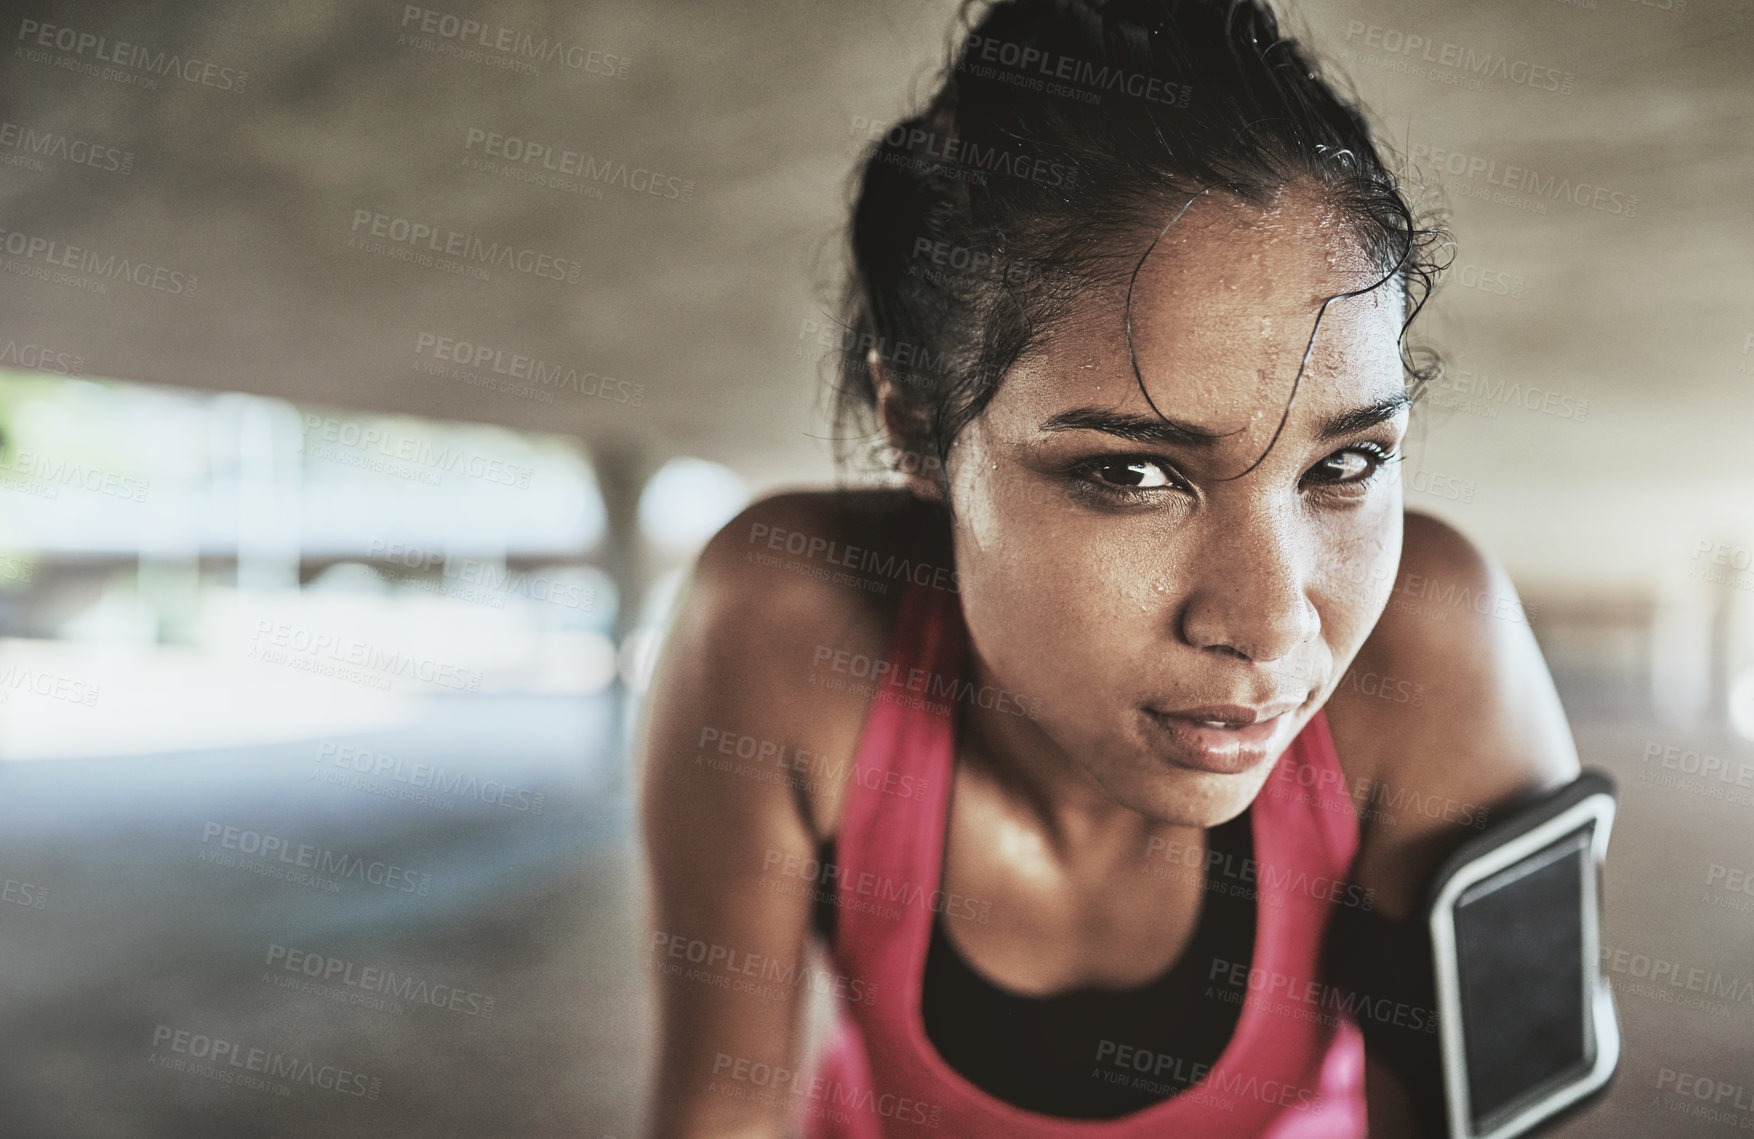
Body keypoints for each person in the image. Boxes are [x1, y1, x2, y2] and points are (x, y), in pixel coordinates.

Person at [639, 0, 1580, 1135]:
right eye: (1133, 474)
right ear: (917, 425)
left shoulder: (1431, 647)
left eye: (1347, 460)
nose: (1273, 623)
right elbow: (720, 1113)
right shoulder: (784, 626)